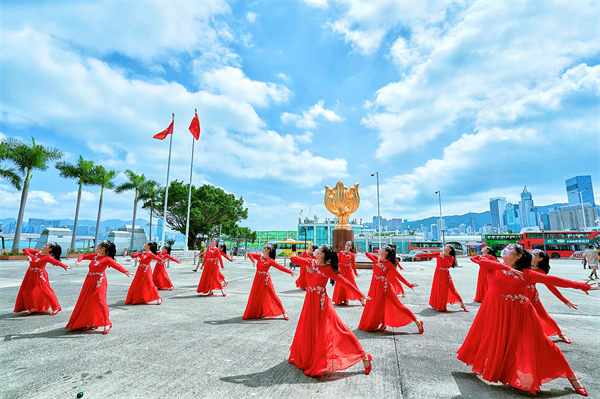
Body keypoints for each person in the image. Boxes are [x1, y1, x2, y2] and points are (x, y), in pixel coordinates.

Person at [457, 243, 597, 396]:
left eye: (510, 250)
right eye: (506, 248)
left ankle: (572, 377)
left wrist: (582, 286)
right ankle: (509, 375)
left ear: (518, 256)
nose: (505, 250)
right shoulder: (494, 265)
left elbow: (554, 280)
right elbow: (478, 259)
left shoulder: (526, 273)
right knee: (499, 343)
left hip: (521, 313)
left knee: (543, 344)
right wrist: (507, 268)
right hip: (496, 313)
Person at [289, 244, 372, 377]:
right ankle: (310, 358)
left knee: (339, 329)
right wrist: (308, 265)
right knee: (308, 329)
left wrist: (360, 295)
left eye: (318, 250)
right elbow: (293, 259)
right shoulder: (310, 262)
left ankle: (363, 356)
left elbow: (344, 281)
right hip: (309, 302)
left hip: (321, 304)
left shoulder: (328, 269)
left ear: (322, 254)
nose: (315, 250)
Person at [67, 240, 133, 334]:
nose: (96, 247)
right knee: (88, 300)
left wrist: (126, 271)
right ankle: (90, 322)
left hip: (99, 281)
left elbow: (116, 266)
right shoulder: (95, 256)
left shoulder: (107, 259)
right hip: (89, 280)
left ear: (103, 249)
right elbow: (83, 256)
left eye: (98, 246)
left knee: (100, 300)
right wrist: (78, 260)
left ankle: (106, 322)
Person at [359, 244, 423, 333]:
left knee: (398, 305)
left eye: (382, 249)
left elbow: (398, 276)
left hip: (384, 288)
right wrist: (376, 262)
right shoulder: (377, 259)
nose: (380, 250)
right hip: (374, 286)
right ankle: (383, 323)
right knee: (375, 305)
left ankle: (417, 321)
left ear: (386, 253)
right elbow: (367, 253)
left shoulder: (389, 264)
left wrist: (409, 284)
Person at [529, 249, 577, 344]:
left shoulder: (540, 272)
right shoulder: (522, 266)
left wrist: (564, 300)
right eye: (532, 253)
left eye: (534, 254)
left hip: (531, 296)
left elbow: (551, 287)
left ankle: (560, 334)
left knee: (545, 317)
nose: (531, 255)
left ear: (540, 259)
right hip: (516, 295)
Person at [14, 243, 71, 316]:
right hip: (31, 274)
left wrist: (64, 266)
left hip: (40, 275)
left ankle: (56, 307)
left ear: (50, 249)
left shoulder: (48, 257)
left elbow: (55, 262)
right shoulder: (38, 252)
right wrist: (28, 255)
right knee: (26, 292)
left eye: (47, 246)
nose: (44, 245)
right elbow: (25, 249)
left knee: (45, 291)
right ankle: (32, 308)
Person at [243, 244, 296, 320]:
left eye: (265, 248)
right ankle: (259, 311)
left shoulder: (270, 261)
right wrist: (253, 261)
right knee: (256, 295)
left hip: (265, 280)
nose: (263, 249)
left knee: (273, 295)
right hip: (257, 279)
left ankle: (284, 312)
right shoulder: (259, 257)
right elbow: (249, 254)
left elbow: (279, 267)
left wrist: (289, 272)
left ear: (269, 250)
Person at [417, 244, 468, 312]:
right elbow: (428, 255)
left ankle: (462, 305)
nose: (445, 247)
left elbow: (448, 266)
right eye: (445, 246)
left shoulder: (451, 257)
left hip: (445, 275)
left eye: (447, 246)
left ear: (450, 250)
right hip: (438, 274)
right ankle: (437, 304)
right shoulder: (439, 254)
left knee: (452, 290)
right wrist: (419, 255)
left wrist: (443, 258)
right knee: (437, 289)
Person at [332, 241, 361, 306]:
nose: (347, 246)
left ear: (351, 247)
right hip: (342, 271)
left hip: (348, 271)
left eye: (349, 245)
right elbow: (338, 262)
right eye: (346, 245)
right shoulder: (341, 253)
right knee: (340, 284)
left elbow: (353, 264)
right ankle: (340, 299)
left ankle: (360, 299)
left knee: (352, 284)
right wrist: (338, 268)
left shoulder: (352, 255)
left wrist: (356, 273)